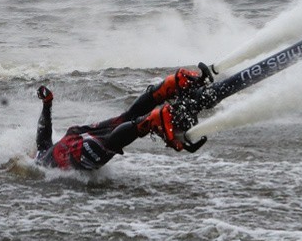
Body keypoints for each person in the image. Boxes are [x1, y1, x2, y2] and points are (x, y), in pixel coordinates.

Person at [34, 68, 204, 171]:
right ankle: (170, 84)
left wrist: (47, 105)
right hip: (77, 134)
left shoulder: (40, 164)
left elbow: (43, 136)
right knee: (127, 117)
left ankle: (151, 121)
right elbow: (43, 132)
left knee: (109, 144)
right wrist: (47, 104)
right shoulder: (43, 152)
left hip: (74, 155)